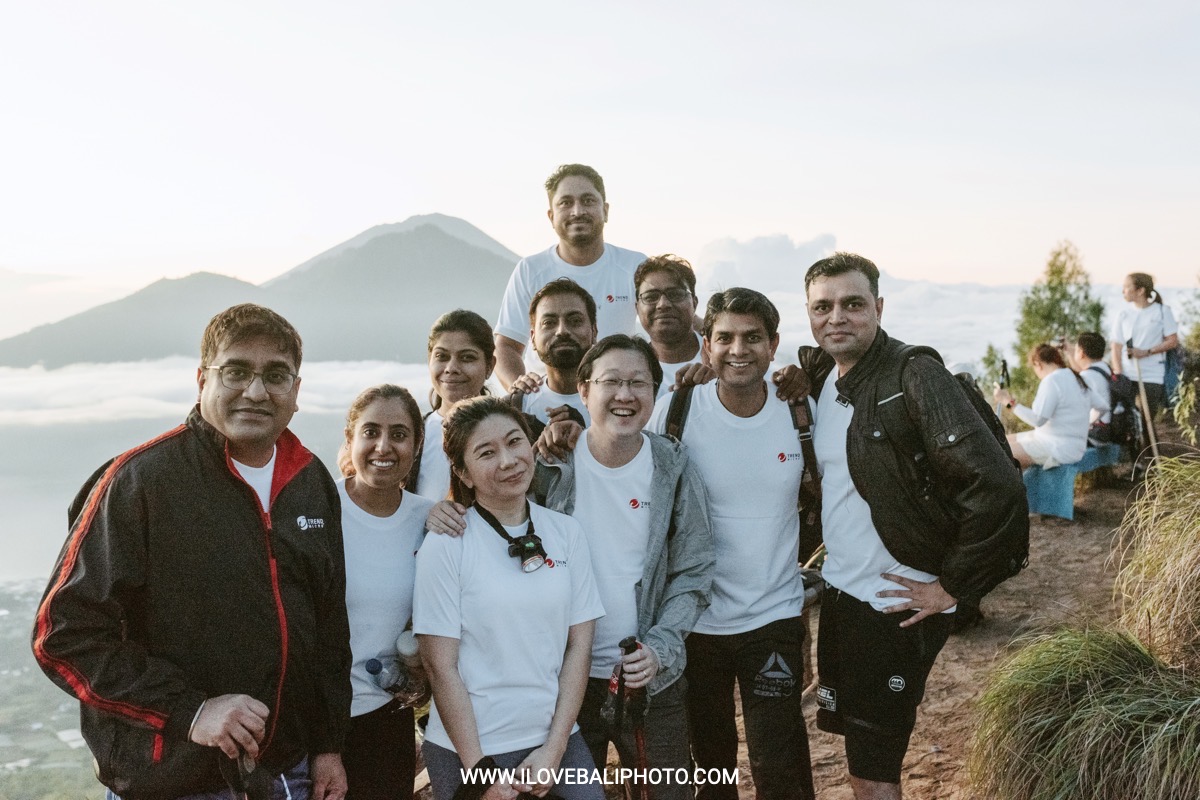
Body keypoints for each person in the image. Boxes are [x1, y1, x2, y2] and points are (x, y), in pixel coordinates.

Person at [32, 303, 351, 799]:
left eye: (275, 375)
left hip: (288, 772)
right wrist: (191, 711)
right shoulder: (140, 482)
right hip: (174, 781)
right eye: (236, 371)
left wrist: (328, 744)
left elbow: (328, 626)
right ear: (203, 380)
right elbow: (62, 633)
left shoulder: (310, 481)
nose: (256, 391)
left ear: (296, 391)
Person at [427, 336, 715, 798]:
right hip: (559, 691)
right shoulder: (548, 465)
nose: (625, 395)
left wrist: (660, 648)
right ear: (583, 390)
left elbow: (694, 571)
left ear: (655, 392)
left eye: (639, 383)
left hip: (647, 678)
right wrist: (439, 511)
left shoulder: (674, 467)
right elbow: (491, 504)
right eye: (610, 381)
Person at [799, 253, 1027, 800]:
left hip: (898, 603)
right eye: (823, 306)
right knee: (859, 755)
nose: (837, 317)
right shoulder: (825, 378)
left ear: (879, 308)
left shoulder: (914, 375)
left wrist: (952, 586)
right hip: (846, 593)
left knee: (874, 766)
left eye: (853, 304)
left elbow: (996, 486)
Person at [647, 288, 815, 800]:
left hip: (774, 614)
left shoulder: (799, 413)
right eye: (724, 338)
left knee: (778, 760)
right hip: (695, 619)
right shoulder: (676, 411)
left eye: (752, 338)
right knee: (710, 761)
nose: (738, 350)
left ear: (773, 345)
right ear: (706, 345)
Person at [414, 397, 605, 800]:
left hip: (556, 737)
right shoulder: (447, 544)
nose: (508, 461)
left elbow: (580, 646)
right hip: (470, 749)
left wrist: (555, 748)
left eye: (514, 441)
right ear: (463, 473)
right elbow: (439, 666)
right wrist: (482, 773)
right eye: (486, 453)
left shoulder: (567, 533)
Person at [338, 384, 436, 800]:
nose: (383, 446)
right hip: (313, 717)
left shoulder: (430, 519)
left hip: (385, 714)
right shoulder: (320, 507)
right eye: (370, 432)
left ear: (416, 445)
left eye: (399, 434)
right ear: (350, 439)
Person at [494, 164, 646, 390]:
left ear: (605, 210)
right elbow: (506, 346)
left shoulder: (634, 266)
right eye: (566, 203)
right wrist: (522, 393)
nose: (577, 211)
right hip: (548, 402)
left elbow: (675, 321)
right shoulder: (530, 270)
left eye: (588, 200)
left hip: (616, 397)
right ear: (551, 216)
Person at [510, 278, 598, 426]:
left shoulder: (617, 399)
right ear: (533, 337)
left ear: (594, 331)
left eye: (575, 321)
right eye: (549, 323)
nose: (562, 331)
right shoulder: (515, 407)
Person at [993, 344, 1091, 469]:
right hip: (1071, 446)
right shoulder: (1075, 377)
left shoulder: (1052, 380)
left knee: (995, 450)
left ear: (1038, 364)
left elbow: (1038, 420)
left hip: (1058, 447)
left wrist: (1008, 402)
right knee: (999, 440)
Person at [633, 255, 708, 399]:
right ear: (637, 308)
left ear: (694, 303)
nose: (663, 304)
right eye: (651, 297)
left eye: (675, 294)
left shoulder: (722, 359)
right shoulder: (627, 369)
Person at [1110, 271, 1179, 423]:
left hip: (1152, 375)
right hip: (1127, 374)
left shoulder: (1162, 311)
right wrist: (1118, 373)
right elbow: (1116, 346)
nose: (1123, 291)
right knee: (1124, 420)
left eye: (1127, 287)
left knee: (1146, 420)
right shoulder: (1123, 314)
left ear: (1140, 290)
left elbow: (1172, 341)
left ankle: (1147, 439)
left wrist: (1146, 352)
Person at [1068, 332, 1113, 443]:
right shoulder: (1105, 368)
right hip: (1110, 428)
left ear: (1081, 353)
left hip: (1096, 434)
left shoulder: (1087, 376)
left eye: (1076, 350)